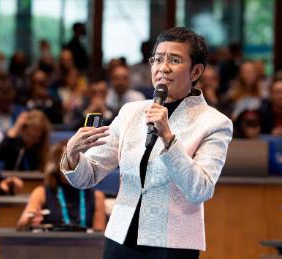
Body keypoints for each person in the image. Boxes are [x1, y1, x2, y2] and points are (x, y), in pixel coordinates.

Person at [61, 27, 233, 259]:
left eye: (174, 60)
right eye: (158, 59)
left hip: (172, 244)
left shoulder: (214, 122)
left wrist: (168, 138)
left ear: (196, 71)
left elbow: (200, 189)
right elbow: (88, 176)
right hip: (120, 238)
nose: (163, 67)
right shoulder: (131, 112)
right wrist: (72, 155)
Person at [17, 140, 106, 230]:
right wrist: (29, 221)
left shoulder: (97, 196)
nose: (73, 167)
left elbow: (98, 236)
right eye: (68, 162)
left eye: (78, 162)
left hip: (85, 243)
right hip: (50, 243)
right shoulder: (41, 193)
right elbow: (21, 225)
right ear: (56, 166)